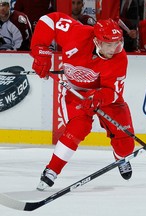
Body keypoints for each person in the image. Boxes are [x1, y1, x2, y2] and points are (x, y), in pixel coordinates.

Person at [30, 12, 135, 191]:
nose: (114, 49)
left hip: (104, 94)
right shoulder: (76, 34)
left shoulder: (119, 58)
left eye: (117, 44)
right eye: (109, 44)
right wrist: (41, 51)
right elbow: (50, 20)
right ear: (97, 41)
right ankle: (51, 171)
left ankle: (121, 157)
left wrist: (98, 98)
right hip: (76, 91)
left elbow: (114, 92)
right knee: (78, 127)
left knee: (126, 144)